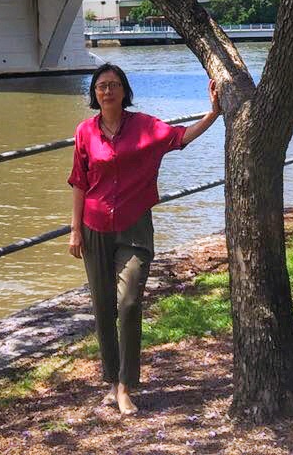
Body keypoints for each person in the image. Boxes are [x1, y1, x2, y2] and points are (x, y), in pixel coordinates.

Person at [68, 61, 221, 415]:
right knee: (103, 307)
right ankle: (111, 382)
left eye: (113, 84)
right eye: (101, 85)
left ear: (124, 91)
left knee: (129, 303)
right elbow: (79, 181)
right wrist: (75, 230)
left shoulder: (145, 126)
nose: (107, 90)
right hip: (94, 227)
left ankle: (126, 386)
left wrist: (213, 113)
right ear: (94, 93)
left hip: (134, 228)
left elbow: (181, 137)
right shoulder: (84, 132)